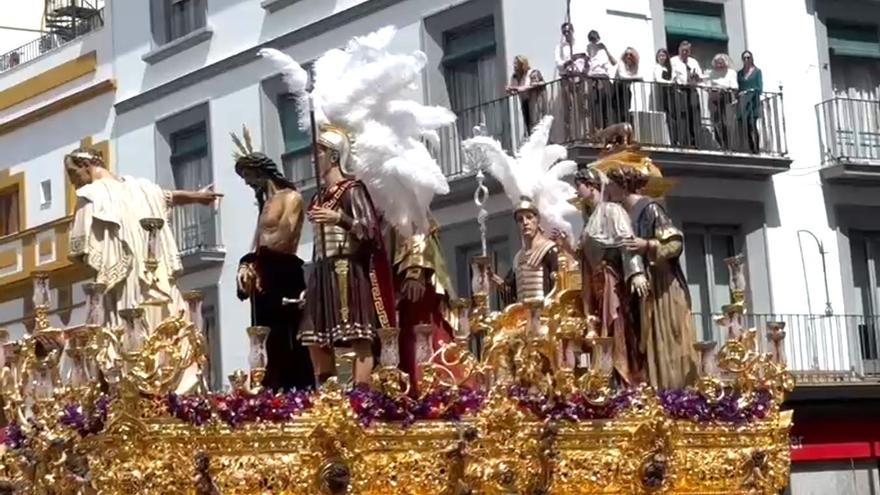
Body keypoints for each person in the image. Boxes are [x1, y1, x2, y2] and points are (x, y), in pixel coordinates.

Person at [65, 147, 221, 393]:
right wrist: (197, 197)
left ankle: (136, 387)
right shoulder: (141, 187)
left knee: (126, 333)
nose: (73, 182)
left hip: (124, 282)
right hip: (156, 275)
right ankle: (167, 384)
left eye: (73, 174)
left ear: (86, 166)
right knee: (167, 325)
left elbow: (80, 249)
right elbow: (168, 196)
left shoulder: (89, 195)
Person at [299, 126, 397, 387]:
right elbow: (318, 243)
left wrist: (340, 218)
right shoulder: (319, 197)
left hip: (347, 269)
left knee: (357, 334)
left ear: (333, 156)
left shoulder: (352, 190)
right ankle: (328, 392)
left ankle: (360, 394)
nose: (312, 158)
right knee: (313, 336)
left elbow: (370, 231)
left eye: (317, 152)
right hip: (322, 271)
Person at [604, 161, 698, 390]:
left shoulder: (650, 208)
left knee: (665, 338)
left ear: (622, 186)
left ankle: (671, 392)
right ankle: (650, 389)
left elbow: (674, 243)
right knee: (646, 342)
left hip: (662, 285)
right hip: (641, 289)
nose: (607, 190)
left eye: (610, 185)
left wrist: (645, 244)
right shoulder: (621, 214)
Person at [462, 116, 576, 304]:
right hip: (524, 318)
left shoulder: (549, 250)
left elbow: (559, 286)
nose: (525, 223)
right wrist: (495, 280)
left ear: (537, 220)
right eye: (520, 219)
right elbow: (513, 291)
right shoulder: (519, 257)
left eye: (529, 218)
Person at [233, 137, 314, 392]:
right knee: (263, 336)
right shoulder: (265, 204)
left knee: (285, 336)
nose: (246, 182)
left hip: (282, 270)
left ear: (260, 171)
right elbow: (258, 240)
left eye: (248, 175)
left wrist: (259, 260)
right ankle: (268, 385)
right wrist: (247, 263)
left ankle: (294, 388)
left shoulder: (290, 197)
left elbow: (286, 235)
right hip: (264, 271)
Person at [560, 166, 647, 385]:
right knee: (600, 328)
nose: (577, 193)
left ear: (591, 186)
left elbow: (626, 242)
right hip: (597, 285)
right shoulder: (589, 219)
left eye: (578, 187)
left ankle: (624, 379)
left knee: (616, 326)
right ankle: (607, 379)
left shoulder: (611, 210)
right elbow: (584, 255)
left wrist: (636, 272)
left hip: (612, 280)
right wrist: (568, 247)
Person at [390, 221, 460, 394]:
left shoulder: (403, 201)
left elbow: (414, 217)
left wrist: (415, 269)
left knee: (420, 329)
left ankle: (427, 389)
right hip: (395, 273)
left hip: (413, 274)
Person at [555, 22, 587, 141]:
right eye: (564, 32)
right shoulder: (560, 47)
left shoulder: (579, 44)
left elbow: (586, 59)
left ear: (572, 31)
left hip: (579, 78)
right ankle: (569, 136)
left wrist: (584, 71)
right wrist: (569, 60)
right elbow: (559, 64)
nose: (566, 34)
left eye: (568, 31)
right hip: (566, 79)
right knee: (567, 108)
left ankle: (583, 134)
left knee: (582, 106)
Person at [669, 41, 703, 148]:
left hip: (692, 89)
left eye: (687, 51)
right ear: (679, 50)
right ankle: (683, 141)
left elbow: (700, 76)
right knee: (681, 116)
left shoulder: (693, 62)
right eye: (683, 50)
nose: (685, 52)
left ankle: (695, 142)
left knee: (694, 115)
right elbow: (671, 75)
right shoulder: (673, 61)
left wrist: (696, 77)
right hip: (680, 90)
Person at [586, 30, 617, 134]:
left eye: (595, 39)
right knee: (595, 107)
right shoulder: (588, 48)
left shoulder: (603, 47)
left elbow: (614, 62)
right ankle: (597, 131)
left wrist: (606, 49)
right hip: (593, 78)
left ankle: (608, 131)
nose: (594, 41)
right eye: (592, 39)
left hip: (604, 78)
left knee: (606, 106)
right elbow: (588, 63)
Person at [706, 53, 738, 150]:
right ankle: (720, 143)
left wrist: (725, 88)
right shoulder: (711, 73)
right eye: (717, 63)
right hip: (714, 97)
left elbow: (734, 86)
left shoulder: (731, 72)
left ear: (725, 63)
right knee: (715, 122)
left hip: (725, 97)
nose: (719, 65)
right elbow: (705, 84)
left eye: (721, 62)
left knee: (725, 122)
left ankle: (727, 145)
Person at [507, 56, 545, 134]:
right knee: (528, 123)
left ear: (523, 64)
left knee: (537, 121)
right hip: (524, 100)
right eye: (514, 64)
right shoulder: (515, 76)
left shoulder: (532, 72)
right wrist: (510, 90)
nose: (514, 66)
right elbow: (515, 89)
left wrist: (522, 88)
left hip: (535, 100)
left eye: (517, 63)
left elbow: (540, 83)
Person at [737, 50, 764, 153]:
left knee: (752, 124)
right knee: (745, 126)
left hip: (753, 102)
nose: (746, 60)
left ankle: (756, 148)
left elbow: (759, 87)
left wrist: (750, 91)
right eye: (744, 58)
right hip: (743, 102)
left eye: (748, 58)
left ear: (751, 58)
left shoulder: (757, 71)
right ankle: (750, 147)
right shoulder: (739, 73)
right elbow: (738, 87)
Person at [613, 47, 642, 125]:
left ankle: (625, 128)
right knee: (618, 110)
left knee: (626, 109)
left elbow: (634, 76)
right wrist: (637, 78)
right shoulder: (621, 63)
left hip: (627, 89)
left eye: (630, 55)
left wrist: (635, 78)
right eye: (626, 54)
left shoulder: (634, 66)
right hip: (617, 89)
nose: (628, 57)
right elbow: (623, 77)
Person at [653, 49, 676, 143]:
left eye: (663, 55)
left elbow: (674, 77)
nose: (662, 57)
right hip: (662, 92)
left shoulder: (669, 68)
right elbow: (658, 79)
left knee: (672, 114)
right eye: (660, 56)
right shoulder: (657, 67)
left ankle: (673, 138)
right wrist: (669, 82)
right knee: (664, 113)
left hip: (670, 92)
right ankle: (666, 139)